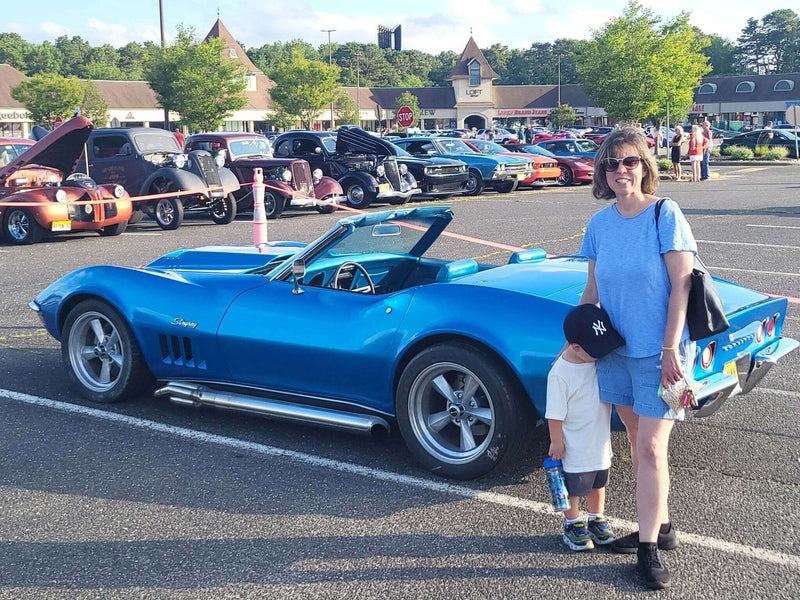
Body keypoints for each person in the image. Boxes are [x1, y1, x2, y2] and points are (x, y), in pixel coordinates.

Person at [578, 126, 697, 589]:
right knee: (633, 436)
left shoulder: (665, 215)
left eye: (629, 161)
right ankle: (661, 529)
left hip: (659, 353)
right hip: (615, 352)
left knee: (650, 447)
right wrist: (577, 341)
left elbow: (681, 289)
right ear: (601, 172)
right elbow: (592, 292)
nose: (620, 171)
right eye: (611, 163)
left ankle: (648, 550)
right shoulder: (599, 225)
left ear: (644, 166)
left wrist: (671, 349)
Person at [547, 304, 623, 552]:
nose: (602, 354)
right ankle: (572, 523)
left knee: (599, 483)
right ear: (576, 347)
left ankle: (596, 518)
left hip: (599, 442)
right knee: (574, 487)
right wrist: (556, 442)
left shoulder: (593, 361)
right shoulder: (560, 374)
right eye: (596, 350)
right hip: (574, 445)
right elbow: (555, 414)